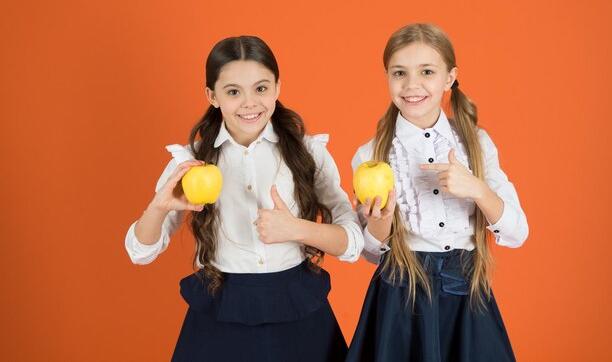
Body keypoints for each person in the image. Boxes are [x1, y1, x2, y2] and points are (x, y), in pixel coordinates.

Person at [125, 35, 363, 362]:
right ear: (212, 95)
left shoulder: (310, 154)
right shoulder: (190, 161)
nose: (250, 103)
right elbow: (140, 252)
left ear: (278, 88)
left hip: (299, 313)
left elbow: (352, 243)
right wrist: (158, 206)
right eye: (234, 92)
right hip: (220, 310)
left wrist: (296, 229)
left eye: (261, 88)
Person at [346, 23, 529, 362]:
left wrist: (476, 188)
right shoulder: (371, 155)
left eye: (426, 71)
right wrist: (380, 224)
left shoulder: (476, 144)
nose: (412, 84)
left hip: (467, 300)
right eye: (399, 72)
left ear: (449, 78)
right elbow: (370, 252)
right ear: (387, 77)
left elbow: (517, 233)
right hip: (400, 302)